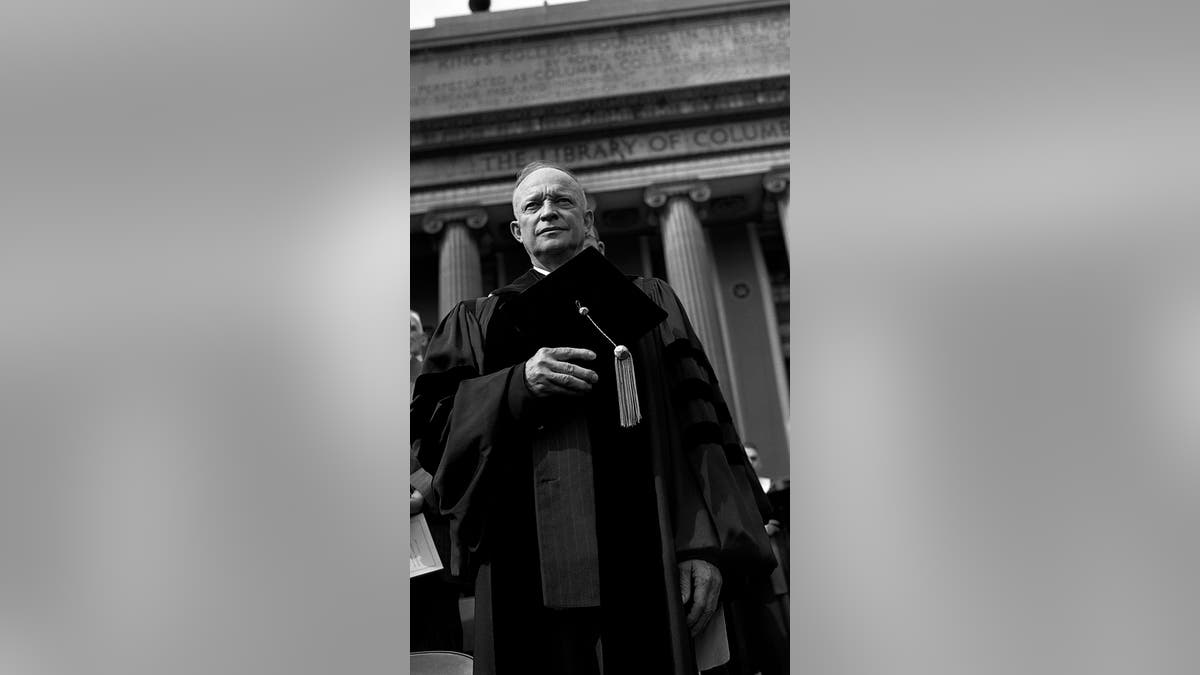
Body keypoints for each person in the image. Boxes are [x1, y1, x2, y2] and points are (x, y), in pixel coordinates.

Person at [411, 161, 776, 674]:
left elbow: (698, 432)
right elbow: (433, 432)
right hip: (521, 564)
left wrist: (702, 546)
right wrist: (515, 386)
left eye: (562, 201)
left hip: (646, 555)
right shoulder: (476, 322)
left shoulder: (651, 303)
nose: (548, 212)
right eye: (533, 205)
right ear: (517, 231)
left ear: (588, 218)